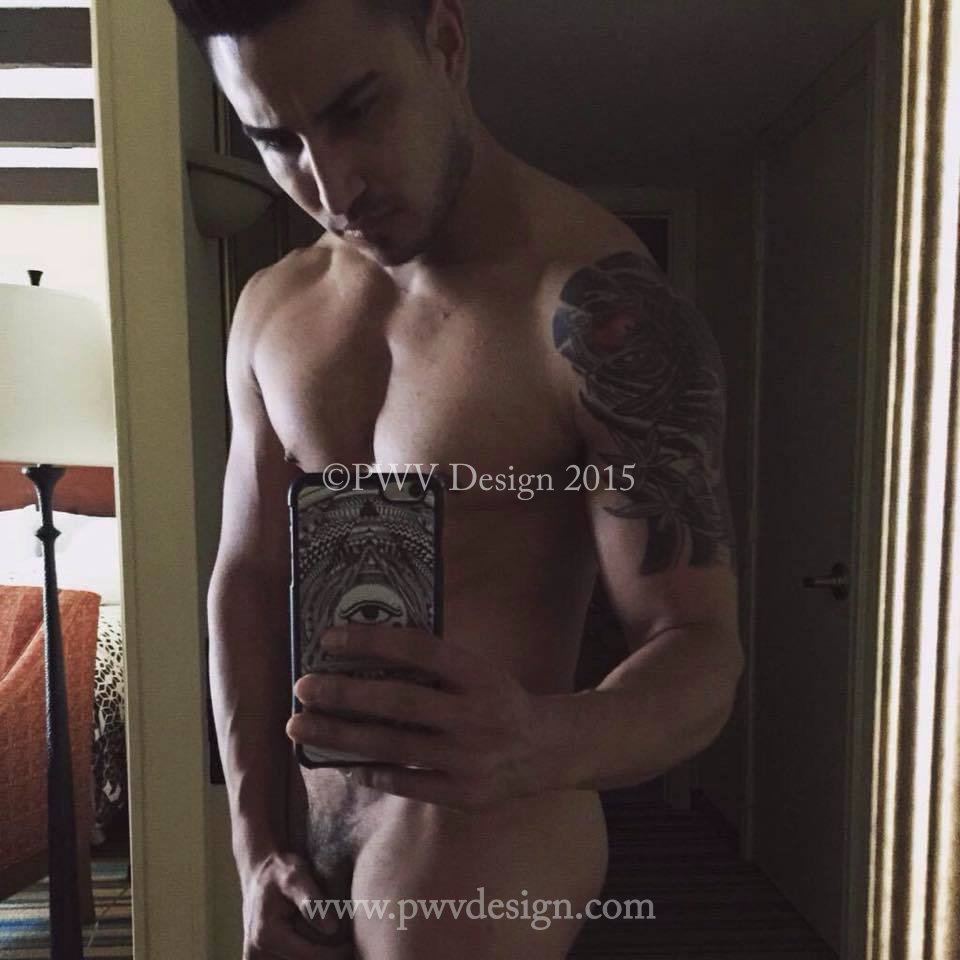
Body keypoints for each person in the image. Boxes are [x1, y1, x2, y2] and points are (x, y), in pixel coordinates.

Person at [169, 0, 744, 956]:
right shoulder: (273, 306)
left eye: (356, 111)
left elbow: (700, 649)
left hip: (483, 828)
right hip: (299, 832)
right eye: (277, 142)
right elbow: (250, 578)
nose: (331, 186)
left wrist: (537, 742)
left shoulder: (600, 312)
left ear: (445, 42)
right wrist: (255, 844)